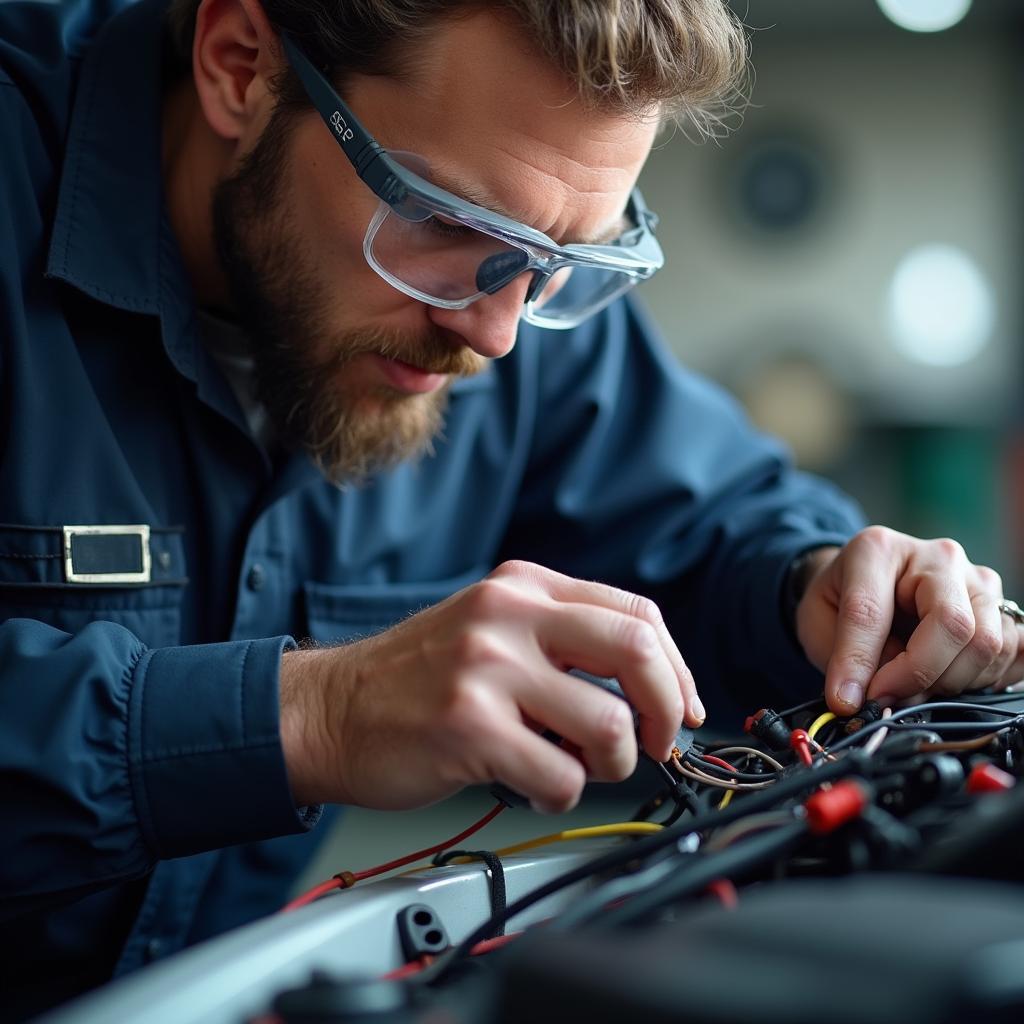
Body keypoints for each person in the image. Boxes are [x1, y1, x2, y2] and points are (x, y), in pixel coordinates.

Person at [0, 0, 1020, 1016]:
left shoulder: (513, 280)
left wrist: (821, 583)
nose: (495, 337)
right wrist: (316, 713)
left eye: (572, 260)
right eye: (443, 219)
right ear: (239, 63)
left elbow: (720, 522)